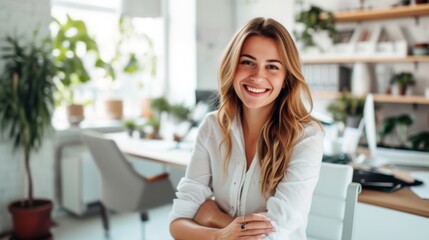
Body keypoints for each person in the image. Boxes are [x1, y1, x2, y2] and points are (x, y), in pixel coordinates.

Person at [169, 17, 324, 240]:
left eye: (272, 66)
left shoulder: (306, 136)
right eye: (247, 62)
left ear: (286, 79)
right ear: (232, 67)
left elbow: (271, 236)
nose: (258, 76)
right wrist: (221, 236)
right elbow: (178, 223)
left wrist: (213, 218)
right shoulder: (212, 126)